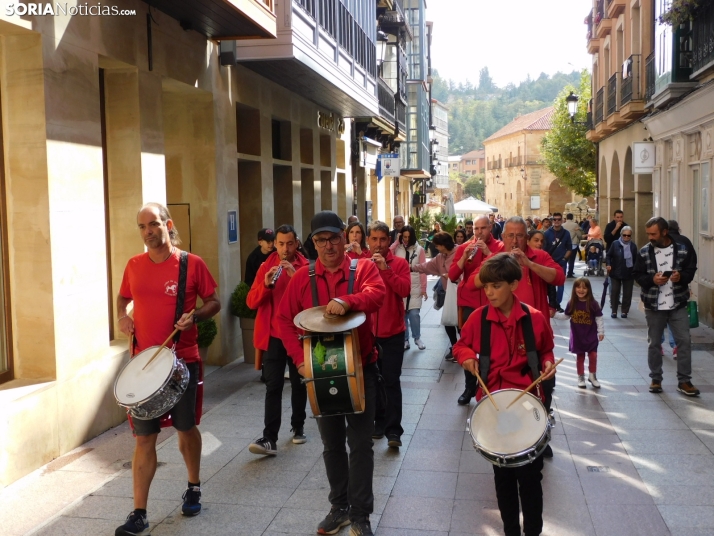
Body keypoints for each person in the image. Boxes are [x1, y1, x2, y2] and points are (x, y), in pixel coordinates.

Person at [276, 210, 385, 536]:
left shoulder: (362, 267)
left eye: (333, 238)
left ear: (345, 237)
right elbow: (282, 321)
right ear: (313, 244)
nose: (328, 246)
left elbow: (377, 294)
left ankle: (361, 513)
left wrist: (347, 300)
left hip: (361, 368)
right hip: (320, 374)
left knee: (362, 444)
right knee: (332, 444)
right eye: (321, 240)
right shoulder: (302, 278)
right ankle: (339, 508)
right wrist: (299, 361)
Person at [115, 203, 221, 536]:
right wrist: (122, 316)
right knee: (144, 440)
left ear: (168, 224)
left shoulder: (191, 264)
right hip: (143, 367)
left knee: (185, 428)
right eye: (142, 226)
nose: (148, 231)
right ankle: (138, 512)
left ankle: (193, 486)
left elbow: (214, 301)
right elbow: (122, 300)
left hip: (181, 361)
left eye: (154, 224)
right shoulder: (133, 265)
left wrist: (197, 316)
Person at [453, 253, 555, 536]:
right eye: (486, 287)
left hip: (527, 404)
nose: (489, 292)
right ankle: (511, 530)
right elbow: (461, 345)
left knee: (531, 478)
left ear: (513, 284)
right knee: (503, 477)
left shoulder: (534, 319)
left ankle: (533, 530)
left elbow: (546, 349)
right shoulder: (478, 318)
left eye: (496, 286)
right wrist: (466, 358)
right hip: (494, 406)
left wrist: (547, 363)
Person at [490, 216, 564, 458]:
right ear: (503, 237)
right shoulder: (497, 258)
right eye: (510, 235)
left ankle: (540, 435)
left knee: (543, 387)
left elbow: (559, 277)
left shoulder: (538, 255)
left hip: (535, 335)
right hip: (504, 334)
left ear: (526, 236)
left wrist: (528, 265)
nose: (514, 240)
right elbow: (476, 283)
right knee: (508, 388)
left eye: (519, 235)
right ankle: (509, 436)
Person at [246, 224, 309, 456]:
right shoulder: (266, 266)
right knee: (273, 386)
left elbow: (311, 303)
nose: (284, 248)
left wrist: (295, 277)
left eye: (289, 243)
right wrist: (265, 285)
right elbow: (251, 302)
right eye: (280, 244)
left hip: (297, 334)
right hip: (273, 335)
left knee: (299, 381)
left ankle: (298, 426)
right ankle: (269, 437)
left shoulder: (305, 266)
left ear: (296, 243)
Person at [633, 217, 700, 397]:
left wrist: (682, 277)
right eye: (648, 234)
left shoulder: (683, 249)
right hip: (654, 304)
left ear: (664, 232)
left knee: (684, 341)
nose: (650, 237)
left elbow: (691, 269)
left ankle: (684, 381)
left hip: (677, 302)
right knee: (654, 343)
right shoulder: (645, 252)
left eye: (653, 234)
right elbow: (638, 276)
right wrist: (652, 280)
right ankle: (656, 379)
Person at [449, 215, 504, 405]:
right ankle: (469, 387)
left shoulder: (499, 247)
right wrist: (464, 257)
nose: (479, 232)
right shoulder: (464, 247)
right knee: (468, 345)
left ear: (490, 228)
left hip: (492, 303)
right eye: (476, 229)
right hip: (468, 302)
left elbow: (502, 270)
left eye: (483, 228)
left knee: (492, 344)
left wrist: (488, 252)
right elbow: (453, 275)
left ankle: (489, 386)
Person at [368, 221, 411, 447]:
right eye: (374, 239)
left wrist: (386, 269)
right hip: (369, 334)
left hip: (393, 333)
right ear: (368, 241)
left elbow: (404, 290)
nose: (378, 244)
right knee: (373, 382)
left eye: (382, 239)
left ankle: (394, 431)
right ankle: (378, 421)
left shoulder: (400, 263)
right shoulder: (362, 264)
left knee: (391, 381)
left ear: (389, 241)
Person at [411, 231, 459, 360]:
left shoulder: (460, 252)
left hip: (462, 294)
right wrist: (411, 268)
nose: (436, 248)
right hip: (449, 295)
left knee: (461, 324)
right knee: (448, 322)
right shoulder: (440, 257)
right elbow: (427, 266)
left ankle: (463, 349)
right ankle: (455, 347)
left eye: (437, 246)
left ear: (443, 245)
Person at [560, 277, 604, 388]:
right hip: (578, 335)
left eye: (584, 288)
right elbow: (566, 316)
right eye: (578, 287)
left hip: (590, 335)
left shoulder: (593, 304)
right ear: (574, 289)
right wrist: (553, 315)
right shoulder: (572, 303)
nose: (581, 290)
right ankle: (580, 376)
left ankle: (592, 375)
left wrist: (601, 331)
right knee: (580, 357)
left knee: (593, 355)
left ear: (589, 289)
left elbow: (599, 318)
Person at [392, 225, 427, 351]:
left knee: (414, 314)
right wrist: (397, 241)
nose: (406, 239)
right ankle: (405, 339)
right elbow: (388, 254)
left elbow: (423, 269)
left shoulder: (419, 250)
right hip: (401, 284)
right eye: (404, 237)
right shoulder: (397, 249)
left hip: (415, 286)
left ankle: (417, 337)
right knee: (403, 315)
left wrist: (423, 288)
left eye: (408, 237)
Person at [606, 225, 637, 319]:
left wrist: (635, 271)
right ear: (621, 235)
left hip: (629, 273)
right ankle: (614, 311)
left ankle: (624, 311)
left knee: (627, 293)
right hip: (615, 272)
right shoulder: (615, 244)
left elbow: (636, 260)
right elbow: (608, 255)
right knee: (615, 292)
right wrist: (608, 264)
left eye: (628, 235)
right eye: (624, 235)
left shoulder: (633, 246)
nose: (626, 237)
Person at [543, 212, 572, 312]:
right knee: (550, 284)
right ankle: (553, 303)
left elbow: (569, 248)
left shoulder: (566, 233)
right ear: (552, 221)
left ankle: (557, 303)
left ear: (562, 220)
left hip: (561, 263)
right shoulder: (547, 234)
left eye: (559, 219)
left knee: (560, 284)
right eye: (554, 219)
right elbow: (543, 249)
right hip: (549, 263)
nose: (557, 221)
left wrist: (564, 259)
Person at [528, 230, 558, 316]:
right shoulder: (520, 257)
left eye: (541, 241)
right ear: (528, 241)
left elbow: (551, 282)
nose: (539, 243)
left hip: (540, 302)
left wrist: (552, 305)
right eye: (536, 240)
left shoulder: (545, 258)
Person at [562, 213, 582, 277]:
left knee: (565, 259)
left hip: (564, 245)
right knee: (572, 260)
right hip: (573, 244)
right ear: (572, 217)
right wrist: (580, 237)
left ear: (567, 217)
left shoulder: (563, 225)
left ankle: (563, 272)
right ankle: (570, 273)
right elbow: (579, 235)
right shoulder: (575, 225)